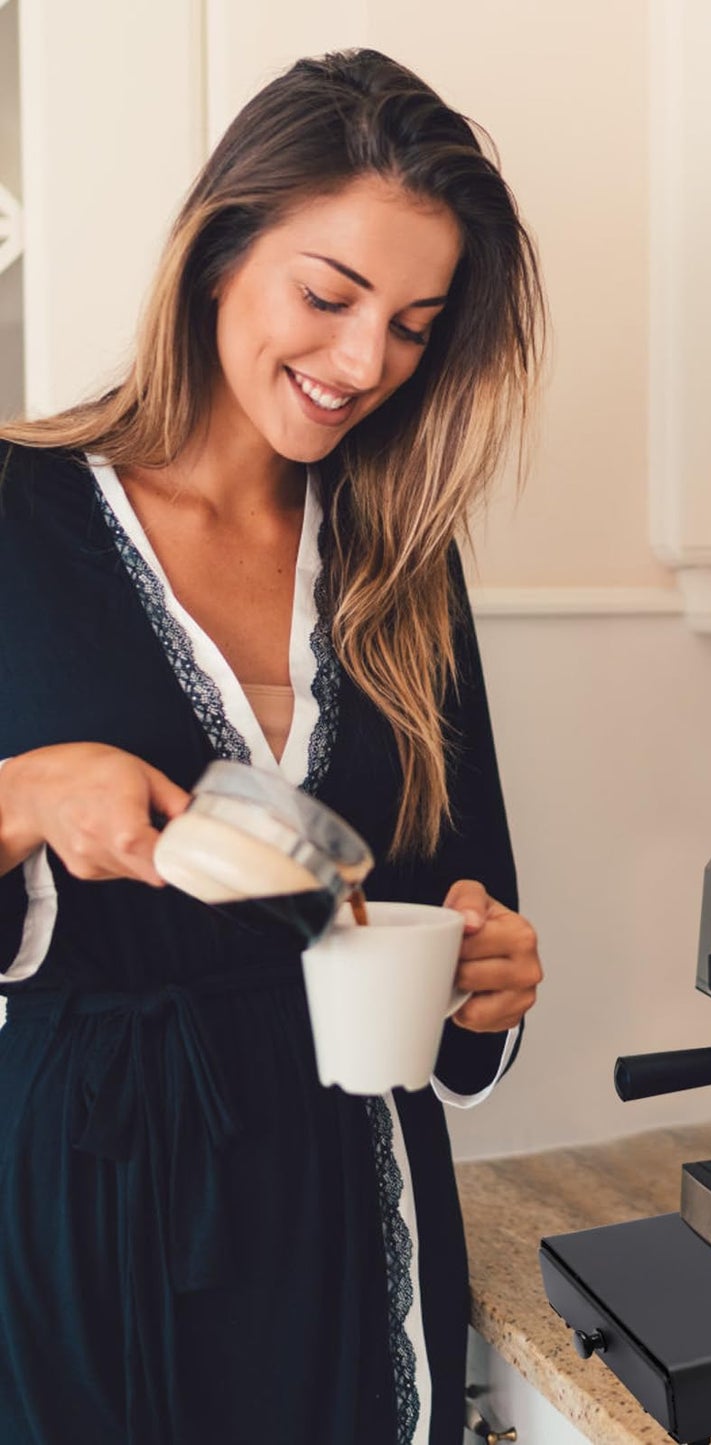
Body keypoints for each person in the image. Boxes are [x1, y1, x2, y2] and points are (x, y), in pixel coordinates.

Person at [0, 50, 546, 1445]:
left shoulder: (403, 566)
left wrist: (490, 975)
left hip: (354, 1204)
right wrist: (19, 799)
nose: (366, 363)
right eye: (330, 295)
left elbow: (459, 894)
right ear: (219, 249)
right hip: (96, 1202)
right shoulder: (17, 515)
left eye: (417, 326)